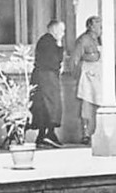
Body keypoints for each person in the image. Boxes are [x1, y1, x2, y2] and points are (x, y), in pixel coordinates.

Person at [31, 19, 66, 148]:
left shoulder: (48, 41)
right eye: (61, 31)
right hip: (46, 78)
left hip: (47, 77)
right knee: (49, 105)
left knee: (49, 106)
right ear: (54, 30)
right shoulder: (48, 42)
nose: (63, 34)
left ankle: (45, 135)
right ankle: (47, 134)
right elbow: (55, 61)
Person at [69, 16, 104, 145]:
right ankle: (86, 134)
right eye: (98, 26)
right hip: (87, 77)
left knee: (101, 104)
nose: (101, 29)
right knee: (87, 105)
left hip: (100, 76)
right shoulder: (83, 40)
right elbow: (74, 59)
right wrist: (76, 76)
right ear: (90, 26)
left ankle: (100, 131)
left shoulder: (100, 40)